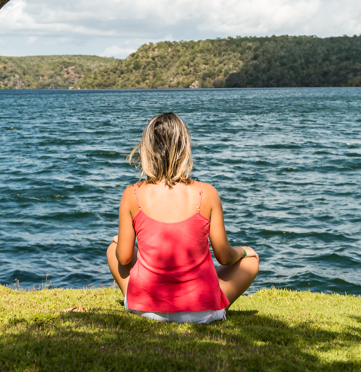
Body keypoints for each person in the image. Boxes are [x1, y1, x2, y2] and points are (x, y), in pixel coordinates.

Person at [107, 112, 259, 324]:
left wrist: (122, 245)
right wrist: (244, 252)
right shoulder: (206, 193)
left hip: (146, 309)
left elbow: (123, 258)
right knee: (250, 262)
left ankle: (134, 300)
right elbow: (225, 257)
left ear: (147, 149)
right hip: (201, 312)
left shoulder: (131, 194)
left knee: (112, 249)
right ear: (185, 148)